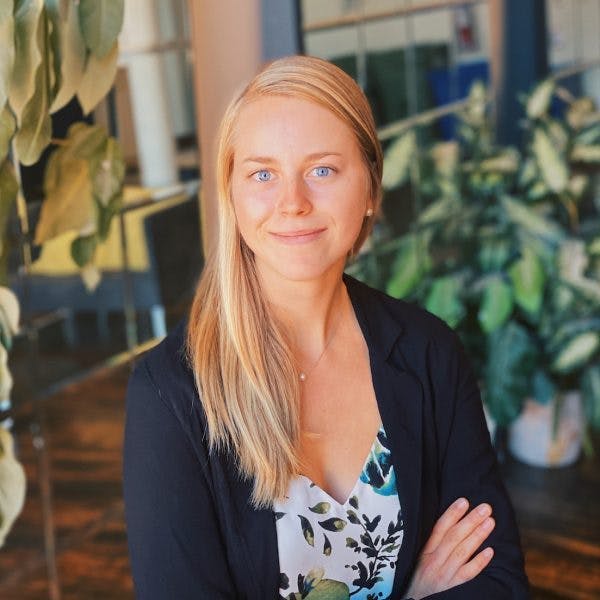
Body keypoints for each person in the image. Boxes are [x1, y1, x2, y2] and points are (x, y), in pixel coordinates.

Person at [123, 55, 529, 599]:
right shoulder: (171, 395)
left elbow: (496, 581)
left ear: (370, 193)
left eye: (323, 169)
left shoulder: (429, 351)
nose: (292, 203)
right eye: (262, 173)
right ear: (233, 197)